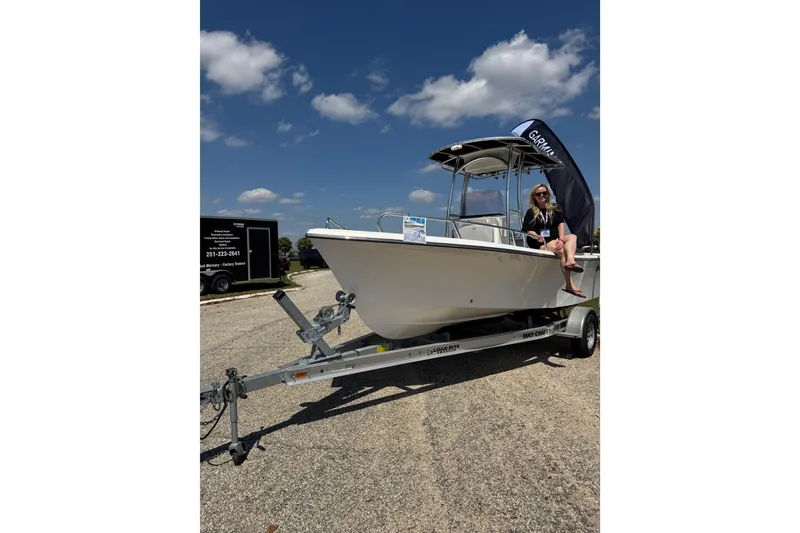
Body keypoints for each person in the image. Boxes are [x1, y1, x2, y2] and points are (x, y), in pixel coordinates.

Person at [521, 184, 586, 298]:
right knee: (561, 251)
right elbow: (527, 230)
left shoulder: (555, 208)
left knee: (572, 237)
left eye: (544, 193)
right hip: (540, 242)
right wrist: (536, 236)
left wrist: (561, 239)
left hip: (554, 239)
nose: (541, 195)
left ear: (548, 194)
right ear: (534, 196)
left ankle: (570, 261)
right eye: (538, 194)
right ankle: (569, 285)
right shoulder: (531, 212)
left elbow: (561, 223)